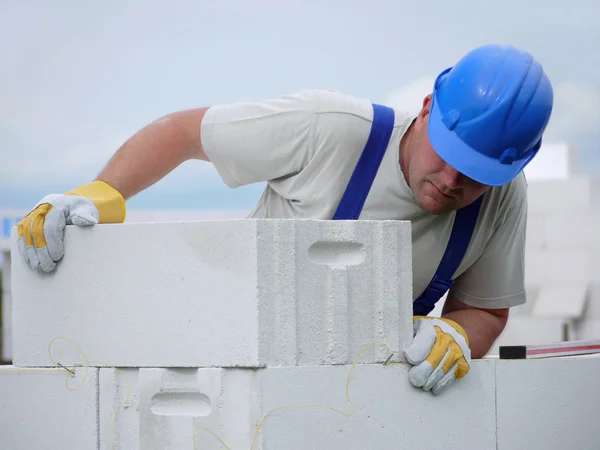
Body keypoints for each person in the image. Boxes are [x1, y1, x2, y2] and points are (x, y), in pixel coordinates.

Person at [16, 44, 553, 395]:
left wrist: (456, 337)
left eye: (478, 174)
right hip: (233, 371)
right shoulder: (331, 130)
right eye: (448, 156)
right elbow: (181, 134)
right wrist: (100, 194)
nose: (455, 182)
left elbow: (484, 310)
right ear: (429, 107)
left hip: (359, 400)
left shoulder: (504, 197)